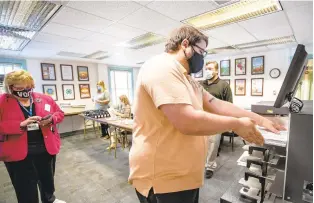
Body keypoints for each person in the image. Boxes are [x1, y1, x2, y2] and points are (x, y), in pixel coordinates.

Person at [129, 25, 285, 203]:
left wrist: (260, 119)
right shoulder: (161, 67)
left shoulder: (188, 79)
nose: (202, 57)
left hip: (183, 175)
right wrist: (236, 124)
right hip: (163, 178)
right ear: (185, 44)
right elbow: (186, 121)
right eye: (201, 51)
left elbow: (217, 104)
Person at [0, 70, 66, 203]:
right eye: (19, 88)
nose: (24, 90)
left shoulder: (44, 98)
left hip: (46, 149)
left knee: (47, 180)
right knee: (25, 187)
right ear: (10, 87)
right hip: (17, 153)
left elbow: (59, 113)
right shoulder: (2, 102)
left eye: (28, 87)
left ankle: (49, 199)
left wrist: (51, 119)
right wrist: (20, 124)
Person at [201, 61, 233, 179]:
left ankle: (210, 166)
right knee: (201, 143)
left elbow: (229, 104)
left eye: (210, 69)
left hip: (216, 120)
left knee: (213, 144)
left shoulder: (223, 85)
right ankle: (201, 163)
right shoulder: (201, 84)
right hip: (201, 118)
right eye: (206, 69)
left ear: (216, 71)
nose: (208, 71)